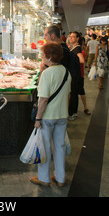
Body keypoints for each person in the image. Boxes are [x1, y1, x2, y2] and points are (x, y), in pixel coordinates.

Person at [30, 42, 71, 187]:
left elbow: (43, 99)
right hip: (62, 115)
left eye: (42, 55)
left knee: (45, 147)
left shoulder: (47, 73)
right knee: (59, 147)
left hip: (47, 117)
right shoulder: (66, 72)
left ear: (48, 56)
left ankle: (44, 178)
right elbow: (68, 96)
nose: (41, 57)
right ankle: (60, 178)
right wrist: (64, 113)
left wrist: (38, 118)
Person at [69, 31, 90, 115]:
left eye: (73, 37)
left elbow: (81, 60)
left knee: (77, 92)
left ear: (77, 38)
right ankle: (84, 108)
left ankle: (75, 111)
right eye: (70, 36)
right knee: (79, 91)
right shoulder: (74, 47)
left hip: (78, 74)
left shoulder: (77, 48)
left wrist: (73, 62)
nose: (71, 38)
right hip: (77, 73)